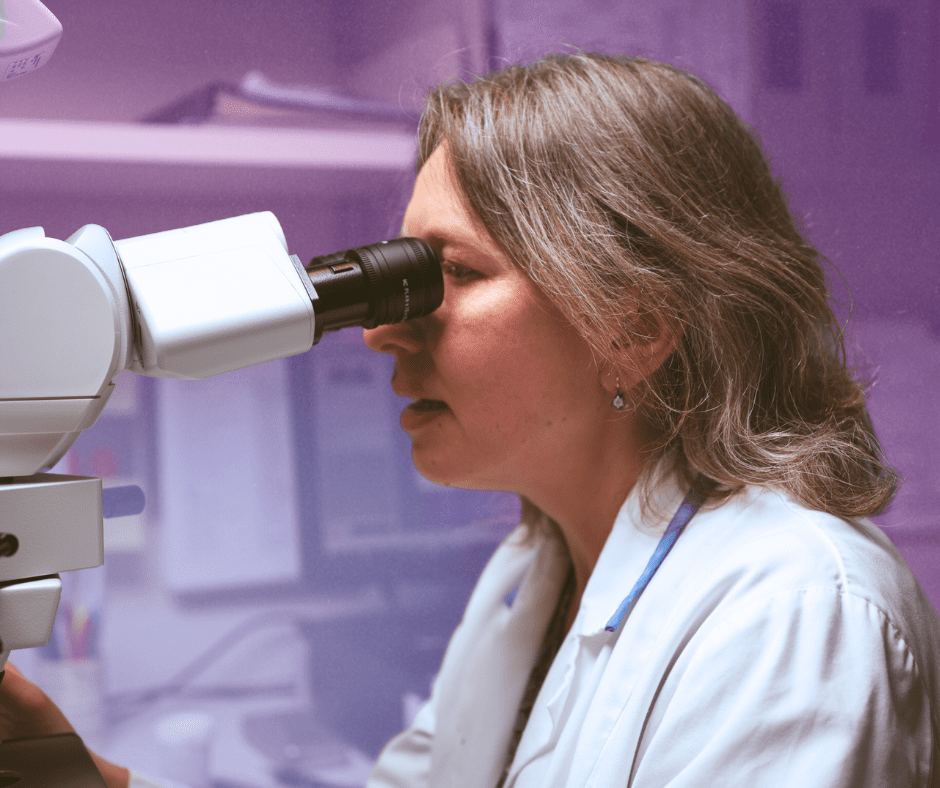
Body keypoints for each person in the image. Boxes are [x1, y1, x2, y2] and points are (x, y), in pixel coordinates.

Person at [2, 52, 939, 788]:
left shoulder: (794, 618)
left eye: (452, 273)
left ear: (636, 325)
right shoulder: (530, 576)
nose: (381, 336)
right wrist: (92, 781)